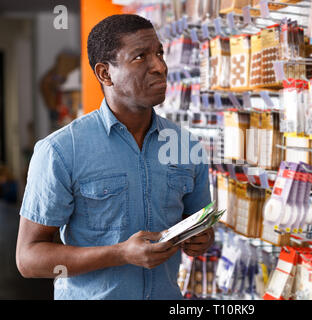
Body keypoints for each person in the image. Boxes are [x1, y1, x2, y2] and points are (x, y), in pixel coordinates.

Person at [16, 14, 213, 300]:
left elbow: (199, 225)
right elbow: (29, 259)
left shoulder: (186, 145)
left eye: (159, 53)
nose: (159, 66)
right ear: (105, 74)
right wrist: (120, 254)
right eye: (140, 57)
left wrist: (200, 239)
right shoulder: (60, 150)